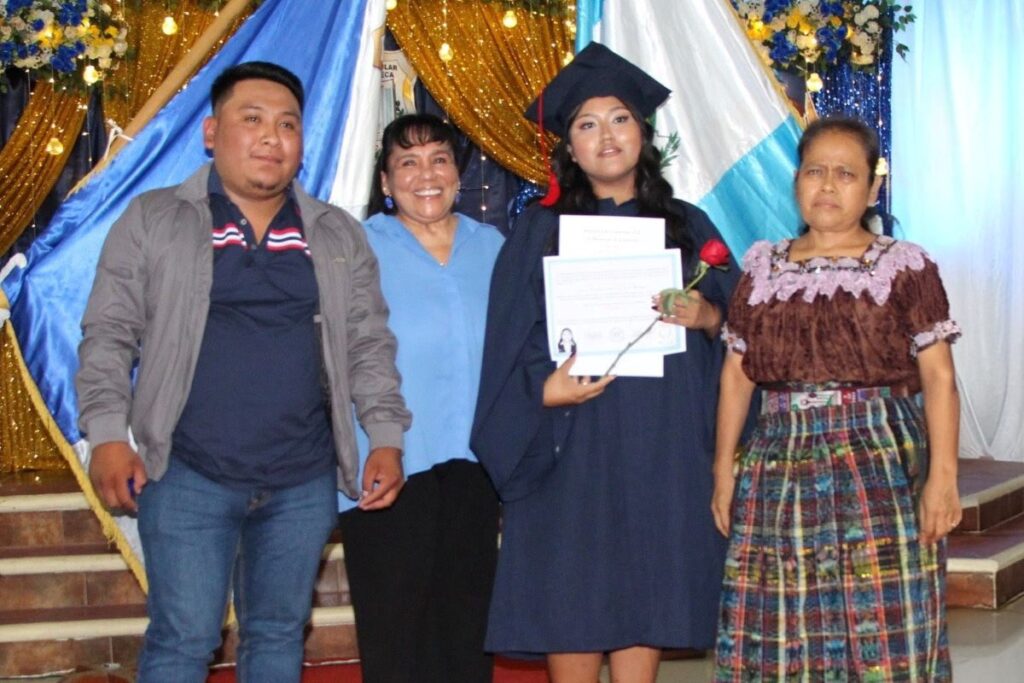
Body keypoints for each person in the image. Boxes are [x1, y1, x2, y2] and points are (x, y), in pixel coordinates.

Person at [75, 61, 411, 683]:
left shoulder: (335, 234)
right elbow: (108, 335)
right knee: (184, 638)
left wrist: (386, 438)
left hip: (301, 477)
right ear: (212, 133)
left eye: (287, 124)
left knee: (278, 634)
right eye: (251, 119)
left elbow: (369, 344)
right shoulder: (154, 219)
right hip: (186, 472)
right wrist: (108, 436)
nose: (271, 137)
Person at [472, 42, 739, 683]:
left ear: (643, 133)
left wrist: (708, 316)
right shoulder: (537, 231)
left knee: (646, 584)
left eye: (620, 119)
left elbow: (739, 330)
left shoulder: (687, 227)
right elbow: (506, 341)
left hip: (660, 443)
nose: (607, 136)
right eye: (587, 125)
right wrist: (543, 391)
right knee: (572, 587)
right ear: (569, 146)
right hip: (571, 441)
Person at [712, 116, 960, 681]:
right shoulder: (762, 268)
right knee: (779, 623)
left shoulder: (904, 267)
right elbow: (736, 376)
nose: (827, 185)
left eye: (846, 174)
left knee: (884, 622)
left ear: (873, 189)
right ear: (796, 182)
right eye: (814, 171)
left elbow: (940, 377)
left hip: (879, 459)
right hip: (777, 461)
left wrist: (943, 477)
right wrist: (724, 469)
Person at [337, 113, 504, 683]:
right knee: (395, 634)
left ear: (458, 174)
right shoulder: (356, 248)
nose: (426, 175)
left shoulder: (493, 246)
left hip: (476, 467)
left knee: (468, 631)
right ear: (385, 182)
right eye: (407, 163)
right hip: (389, 462)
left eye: (439, 160)